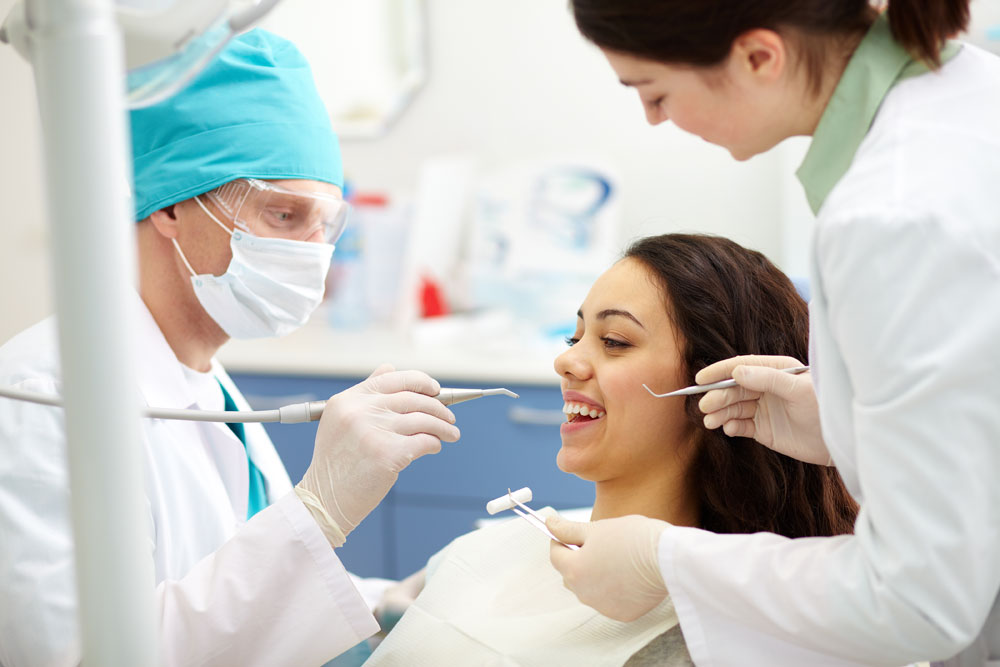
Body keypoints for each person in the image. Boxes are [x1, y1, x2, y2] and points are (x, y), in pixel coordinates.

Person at [546, 2, 1000, 665]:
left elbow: (919, 601)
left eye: (656, 91)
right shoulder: (965, 108)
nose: (653, 118)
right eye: (575, 334)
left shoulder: (892, 213)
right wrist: (849, 426)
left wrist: (665, 558)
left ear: (760, 57)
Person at [0, 30, 459, 667]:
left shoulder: (199, 376)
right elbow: (86, 655)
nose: (312, 254)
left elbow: (234, 579)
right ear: (170, 206)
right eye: (284, 216)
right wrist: (318, 510)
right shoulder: (45, 395)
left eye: (326, 225)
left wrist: (383, 604)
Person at [362, 233, 860, 666]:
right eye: (574, 335)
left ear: (719, 385)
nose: (567, 360)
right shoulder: (478, 551)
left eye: (615, 341)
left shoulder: (709, 636)